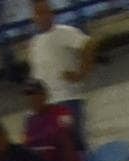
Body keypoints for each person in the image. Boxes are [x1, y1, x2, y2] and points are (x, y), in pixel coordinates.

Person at [23, 0, 95, 139]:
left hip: (67, 100)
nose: (43, 17)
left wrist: (81, 73)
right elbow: (36, 76)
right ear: (34, 17)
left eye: (46, 12)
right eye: (39, 13)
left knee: (72, 144)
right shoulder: (33, 44)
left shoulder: (64, 32)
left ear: (51, 14)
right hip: (46, 106)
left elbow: (89, 44)